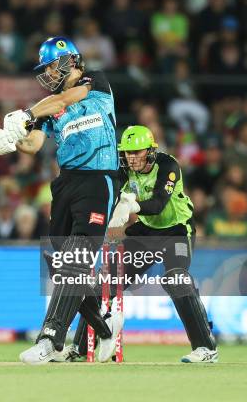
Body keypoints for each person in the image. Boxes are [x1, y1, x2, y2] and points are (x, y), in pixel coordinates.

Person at [0, 36, 122, 364]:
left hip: (98, 179)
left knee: (75, 262)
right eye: (45, 69)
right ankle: (105, 328)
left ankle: (51, 339)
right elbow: (33, 143)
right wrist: (8, 139)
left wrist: (27, 113)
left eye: (53, 66)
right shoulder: (49, 105)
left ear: (72, 62)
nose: (48, 73)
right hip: (66, 184)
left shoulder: (95, 81)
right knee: (64, 267)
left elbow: (67, 99)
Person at [64, 126, 218, 363]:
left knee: (176, 278)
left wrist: (131, 205)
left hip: (176, 230)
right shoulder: (124, 170)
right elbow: (107, 196)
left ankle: (206, 348)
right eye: (127, 152)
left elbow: (157, 205)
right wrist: (107, 212)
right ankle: (81, 348)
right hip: (147, 233)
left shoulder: (168, 166)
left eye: (137, 152)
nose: (131, 157)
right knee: (104, 282)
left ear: (150, 151)